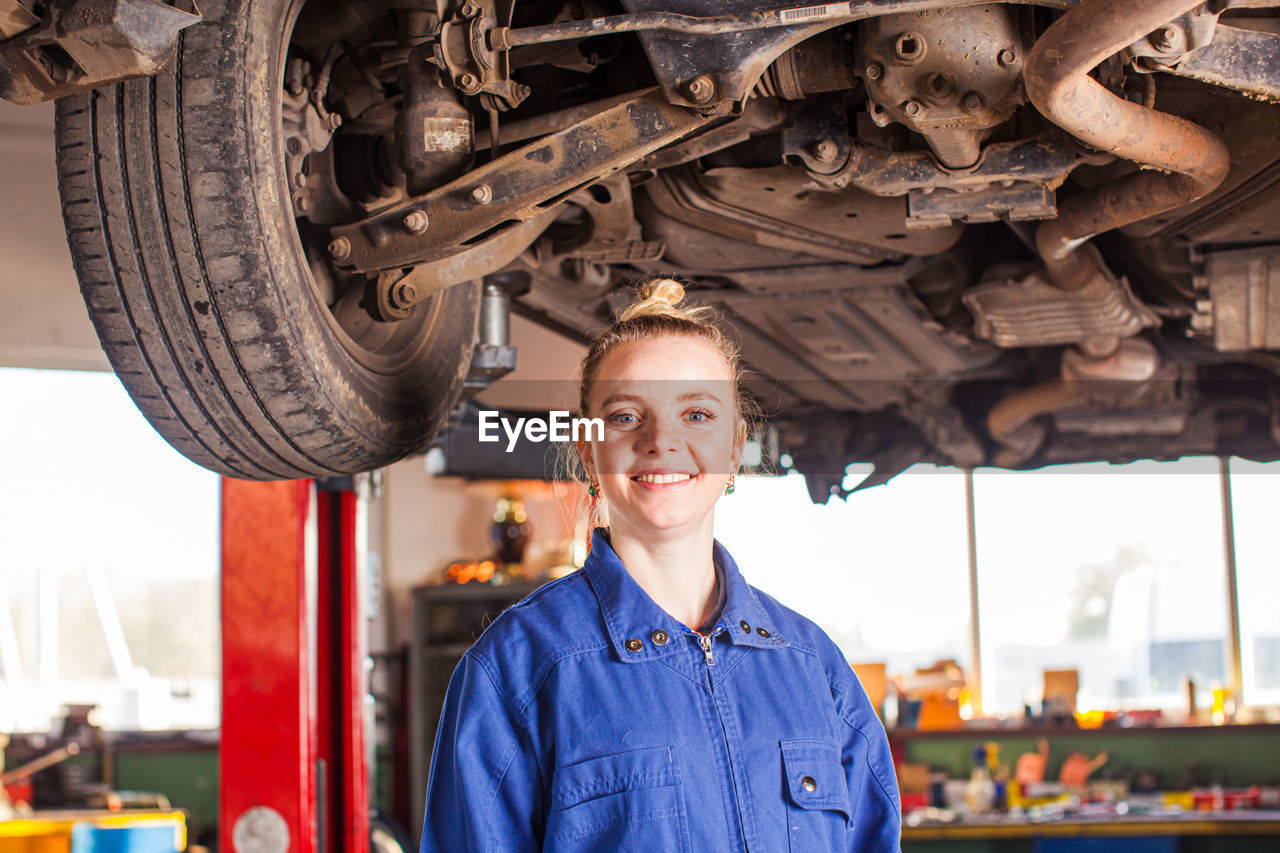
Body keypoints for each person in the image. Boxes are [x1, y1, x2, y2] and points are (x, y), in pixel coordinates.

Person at [420, 277, 902, 852]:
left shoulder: (813, 666)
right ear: (588, 450)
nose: (661, 440)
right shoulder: (517, 668)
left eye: (697, 413)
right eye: (626, 416)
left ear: (733, 447)